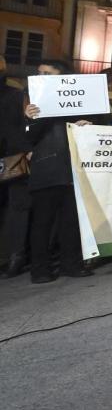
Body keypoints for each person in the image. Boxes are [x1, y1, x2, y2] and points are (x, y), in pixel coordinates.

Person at [23, 60, 110, 283]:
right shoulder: (30, 100)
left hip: (75, 168)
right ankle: (40, 269)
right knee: (43, 221)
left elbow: (101, 125)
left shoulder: (82, 102)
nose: (40, 75)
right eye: (39, 72)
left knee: (71, 219)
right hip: (47, 168)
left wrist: (87, 123)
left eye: (47, 73)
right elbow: (26, 136)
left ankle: (71, 264)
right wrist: (32, 118)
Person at [0, 58, 31, 278]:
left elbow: (21, 127)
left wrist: (25, 150)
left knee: (16, 209)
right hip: (12, 155)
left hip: (12, 159)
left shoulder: (15, 95)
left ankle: (14, 255)